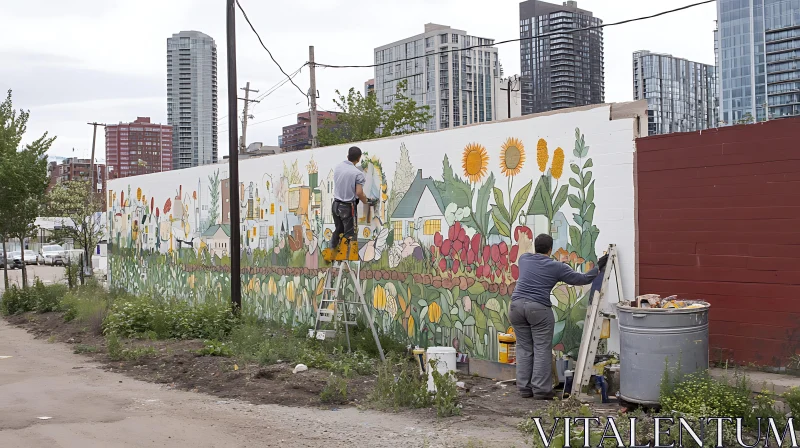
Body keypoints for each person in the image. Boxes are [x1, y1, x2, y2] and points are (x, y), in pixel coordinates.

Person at [509, 233, 608, 399]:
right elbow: (582, 279)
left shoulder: (524, 259)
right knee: (541, 348)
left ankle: (524, 389)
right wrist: (598, 267)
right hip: (538, 309)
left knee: (524, 348)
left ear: (535, 247)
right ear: (550, 249)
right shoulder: (556, 267)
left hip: (516, 307)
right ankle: (541, 390)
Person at [325, 146, 374, 262]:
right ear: (358, 158)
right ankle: (346, 256)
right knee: (350, 233)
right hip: (347, 207)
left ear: (348, 156)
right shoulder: (357, 174)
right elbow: (359, 192)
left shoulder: (338, 168)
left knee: (338, 230)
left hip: (335, 205)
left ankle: (331, 254)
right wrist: (367, 201)